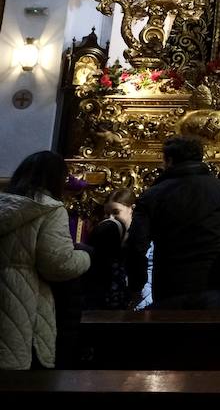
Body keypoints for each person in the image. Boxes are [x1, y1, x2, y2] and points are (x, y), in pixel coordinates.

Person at [0, 151, 90, 370]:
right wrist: (85, 256)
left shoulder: (4, 204)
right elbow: (57, 264)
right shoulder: (50, 209)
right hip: (23, 298)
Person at [126, 136, 220, 309]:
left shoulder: (154, 194)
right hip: (212, 282)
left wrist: (136, 285)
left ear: (169, 160)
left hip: (170, 283)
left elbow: (136, 244)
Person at [82, 188, 135, 310]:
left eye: (116, 212)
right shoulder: (103, 234)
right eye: (106, 214)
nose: (110, 218)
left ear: (132, 209)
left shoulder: (142, 240)